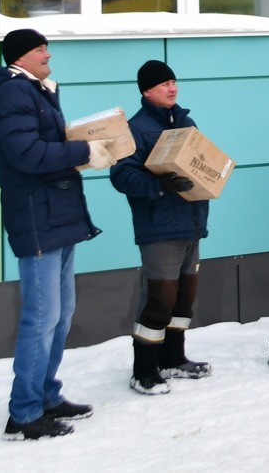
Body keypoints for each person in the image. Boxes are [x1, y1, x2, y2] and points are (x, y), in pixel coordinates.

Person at [0, 28, 118, 441]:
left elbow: (45, 146)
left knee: (60, 318)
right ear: (19, 57)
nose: (48, 54)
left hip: (56, 215)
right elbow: (25, 155)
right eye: (40, 48)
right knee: (41, 319)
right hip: (37, 217)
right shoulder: (14, 93)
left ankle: (45, 394)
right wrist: (83, 152)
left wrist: (84, 145)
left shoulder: (37, 91)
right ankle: (23, 413)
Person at [109, 60, 211, 396]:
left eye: (173, 81)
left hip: (191, 222)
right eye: (164, 84)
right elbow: (122, 175)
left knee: (184, 298)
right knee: (159, 300)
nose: (172, 88)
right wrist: (160, 183)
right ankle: (144, 370)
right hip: (159, 227)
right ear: (146, 91)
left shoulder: (185, 121)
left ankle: (173, 359)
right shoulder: (135, 129)